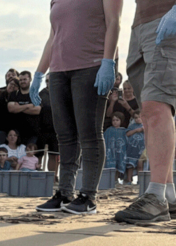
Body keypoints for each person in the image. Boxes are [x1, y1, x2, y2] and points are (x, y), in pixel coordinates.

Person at [114, 0, 176, 225]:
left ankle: (156, 196)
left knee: (157, 105)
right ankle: (168, 196)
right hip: (141, 22)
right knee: (149, 113)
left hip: (172, 10)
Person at [29, 0, 120, 216]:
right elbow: (53, 36)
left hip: (91, 66)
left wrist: (108, 62)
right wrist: (39, 73)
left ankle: (88, 196)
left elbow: (114, 22)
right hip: (59, 70)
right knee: (65, 135)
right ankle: (65, 193)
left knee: (89, 134)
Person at [105, 112, 128, 177]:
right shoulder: (108, 130)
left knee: (119, 163)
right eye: (113, 120)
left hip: (120, 151)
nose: (115, 122)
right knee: (111, 166)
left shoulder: (124, 131)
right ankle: (111, 179)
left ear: (121, 121)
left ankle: (117, 179)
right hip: (111, 151)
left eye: (117, 120)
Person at [125, 114, 146, 182]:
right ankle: (129, 180)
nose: (138, 119)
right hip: (132, 151)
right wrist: (136, 130)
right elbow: (127, 134)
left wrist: (144, 129)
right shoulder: (132, 126)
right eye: (136, 118)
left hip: (142, 150)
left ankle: (140, 181)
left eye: (140, 117)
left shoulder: (146, 126)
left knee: (140, 165)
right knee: (130, 166)